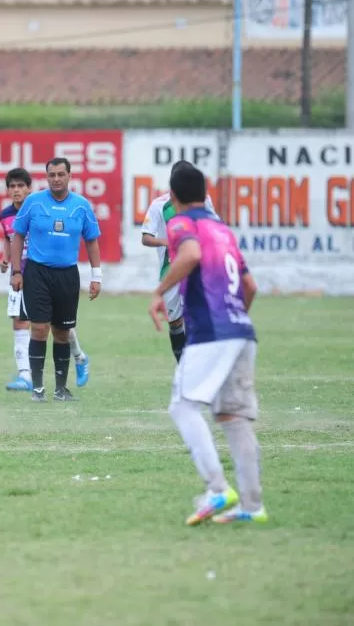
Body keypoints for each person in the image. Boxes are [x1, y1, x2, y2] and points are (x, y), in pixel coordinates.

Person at [149, 162, 266, 525]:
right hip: (241, 331)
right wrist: (233, 322)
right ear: (205, 193)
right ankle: (252, 506)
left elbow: (190, 255)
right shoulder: (223, 230)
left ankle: (217, 489)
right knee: (233, 417)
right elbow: (250, 287)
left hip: (212, 332)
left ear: (174, 195)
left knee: (183, 408)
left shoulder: (182, 222)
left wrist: (159, 291)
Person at [9, 158, 102, 403]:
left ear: (69, 176)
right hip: (37, 273)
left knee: (62, 332)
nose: (56, 179)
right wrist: (16, 271)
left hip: (67, 274)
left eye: (61, 174)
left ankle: (61, 389)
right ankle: (38, 389)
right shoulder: (33, 202)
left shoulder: (81, 206)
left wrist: (97, 276)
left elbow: (91, 241)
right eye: (52, 175)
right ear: (46, 177)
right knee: (39, 329)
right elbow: (17, 237)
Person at [141, 159, 218, 363]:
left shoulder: (204, 201)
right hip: (170, 270)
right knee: (175, 323)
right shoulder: (159, 205)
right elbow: (145, 237)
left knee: (195, 317)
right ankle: (182, 365)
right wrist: (168, 241)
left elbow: (213, 225)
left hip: (195, 268)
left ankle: (195, 366)